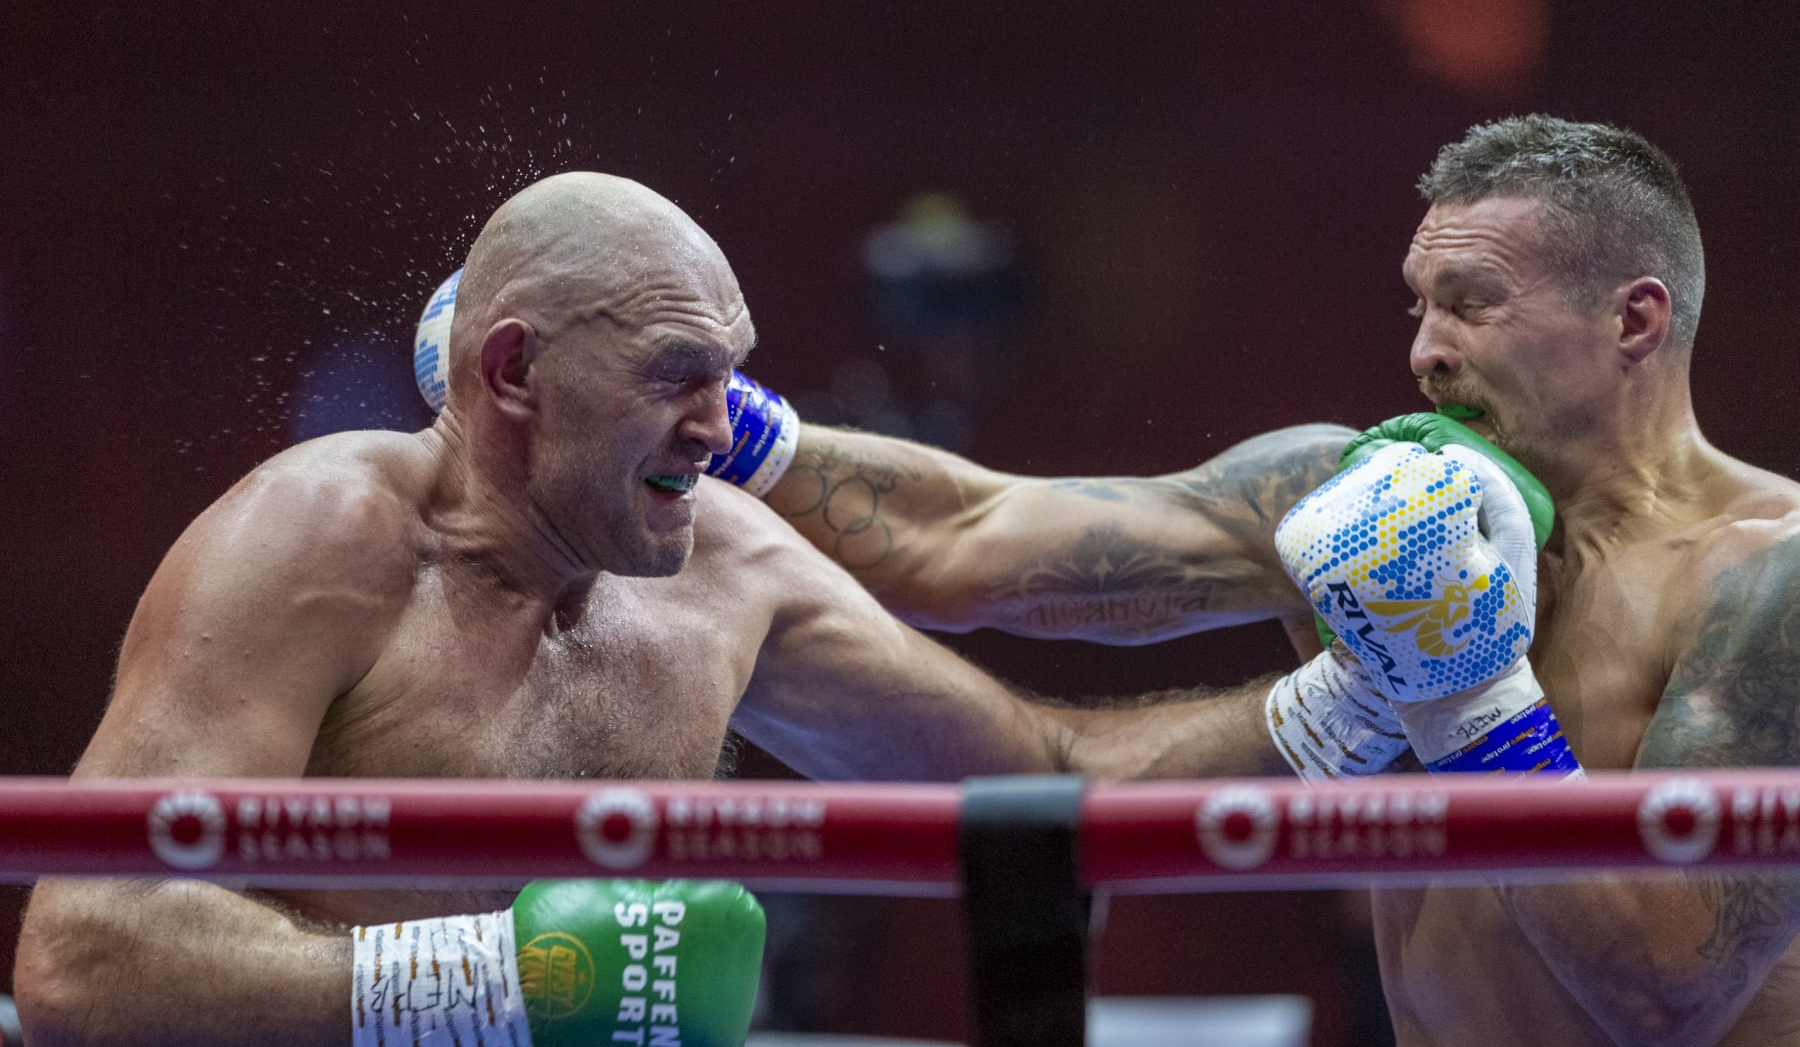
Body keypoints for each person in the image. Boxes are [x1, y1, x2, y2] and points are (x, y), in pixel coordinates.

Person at [12, 172, 1313, 1047]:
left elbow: (1044, 778)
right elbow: (85, 953)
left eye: (730, 377)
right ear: (513, 370)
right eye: (675, 376)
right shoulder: (325, 537)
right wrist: (491, 987)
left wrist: (1347, 706)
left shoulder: (723, 567)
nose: (717, 427)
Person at [732, 116, 1800, 1046]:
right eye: (1419, 306)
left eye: (1473, 305)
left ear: (1633, 319)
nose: (1427, 353)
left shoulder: (1768, 574)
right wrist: (717, 428)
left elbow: (1664, 998)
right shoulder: (1353, 497)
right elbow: (963, 536)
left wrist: (1469, 695)